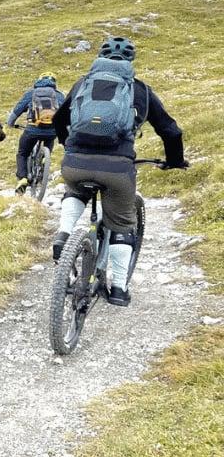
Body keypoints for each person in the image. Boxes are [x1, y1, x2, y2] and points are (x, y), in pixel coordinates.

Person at [51, 36, 187, 306]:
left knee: (75, 189)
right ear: (130, 61)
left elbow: (58, 119)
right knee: (123, 223)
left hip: (75, 163)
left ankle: (64, 234)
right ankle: (119, 289)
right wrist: (174, 161)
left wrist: (69, 146)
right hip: (117, 168)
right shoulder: (140, 90)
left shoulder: (83, 84)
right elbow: (171, 131)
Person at [8, 72, 65, 194]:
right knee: (49, 139)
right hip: (51, 131)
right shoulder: (59, 95)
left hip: (32, 129)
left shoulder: (31, 93)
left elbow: (17, 110)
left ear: (39, 80)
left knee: (22, 153)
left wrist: (11, 123)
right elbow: (66, 113)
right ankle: (44, 159)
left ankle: (22, 178)